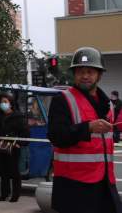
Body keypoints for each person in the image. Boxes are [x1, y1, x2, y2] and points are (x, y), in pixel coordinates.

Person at [47, 46, 122, 213]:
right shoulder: (63, 100)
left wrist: (116, 133)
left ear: (99, 75)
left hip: (104, 182)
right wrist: (88, 127)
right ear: (74, 74)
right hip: (74, 185)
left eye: (90, 71)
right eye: (80, 71)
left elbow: (107, 139)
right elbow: (56, 136)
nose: (85, 76)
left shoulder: (107, 104)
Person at [0, 93, 28, 202]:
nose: (3, 104)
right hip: (1, 147)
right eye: (1, 102)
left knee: (14, 171)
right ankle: (4, 194)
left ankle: (15, 195)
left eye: (5, 102)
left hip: (13, 148)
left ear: (11, 103)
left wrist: (19, 143)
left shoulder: (18, 117)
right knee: (3, 171)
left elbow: (26, 133)